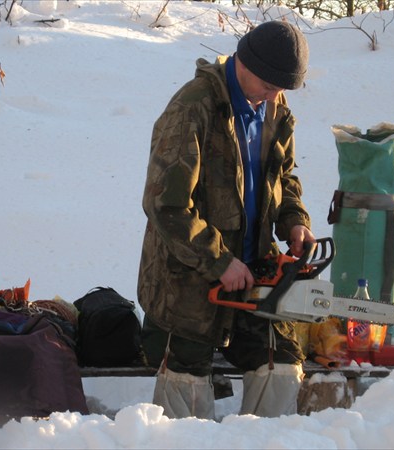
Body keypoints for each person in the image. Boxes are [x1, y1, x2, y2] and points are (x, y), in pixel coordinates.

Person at [137, 20, 316, 420]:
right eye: (272, 85)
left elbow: (283, 176)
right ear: (246, 64)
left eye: (283, 88)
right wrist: (219, 261)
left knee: (283, 369)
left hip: (253, 278)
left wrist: (294, 221)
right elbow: (166, 206)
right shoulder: (192, 108)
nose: (278, 95)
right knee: (187, 392)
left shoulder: (272, 104)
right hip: (187, 284)